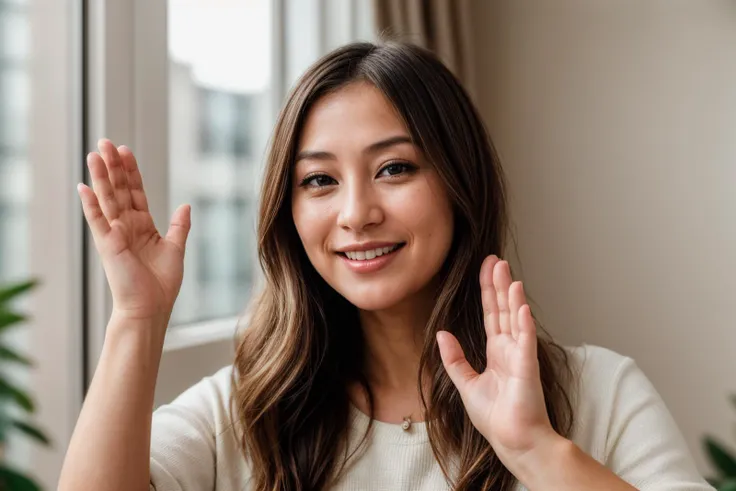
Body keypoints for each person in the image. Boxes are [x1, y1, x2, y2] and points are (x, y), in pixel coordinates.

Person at [58, 41, 713, 491]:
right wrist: (138, 319)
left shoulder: (600, 393)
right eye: (319, 180)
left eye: (394, 168)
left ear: (460, 180)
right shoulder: (243, 411)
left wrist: (536, 449)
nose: (356, 212)